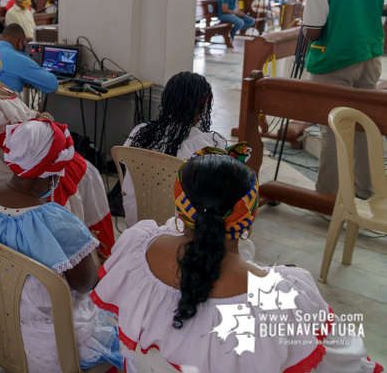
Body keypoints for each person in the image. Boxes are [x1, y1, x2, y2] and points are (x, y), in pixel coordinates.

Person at [91, 149, 381, 372]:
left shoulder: (135, 252)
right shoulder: (284, 298)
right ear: (249, 219)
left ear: (179, 210)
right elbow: (345, 362)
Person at [0, 119, 124, 373]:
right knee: (128, 332)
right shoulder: (58, 223)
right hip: (48, 349)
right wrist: (89, 249)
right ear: (53, 173)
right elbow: (86, 284)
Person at [0, 49, 116, 256]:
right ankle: (89, 245)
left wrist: (37, 118)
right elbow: (27, 148)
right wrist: (43, 123)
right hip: (21, 173)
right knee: (87, 173)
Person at [303, 0, 387, 199]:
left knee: (334, 131)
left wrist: (304, 26)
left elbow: (313, 30)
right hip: (370, 57)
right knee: (365, 125)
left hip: (335, 62)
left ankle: (327, 198)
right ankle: (366, 189)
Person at [121, 72, 227, 227]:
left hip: (138, 216)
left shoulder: (140, 132)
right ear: (204, 106)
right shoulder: (207, 144)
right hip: (181, 224)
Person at [0, 23, 59, 94]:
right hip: (4, 105)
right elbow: (52, 84)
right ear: (20, 42)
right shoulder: (21, 60)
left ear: (1, 37)